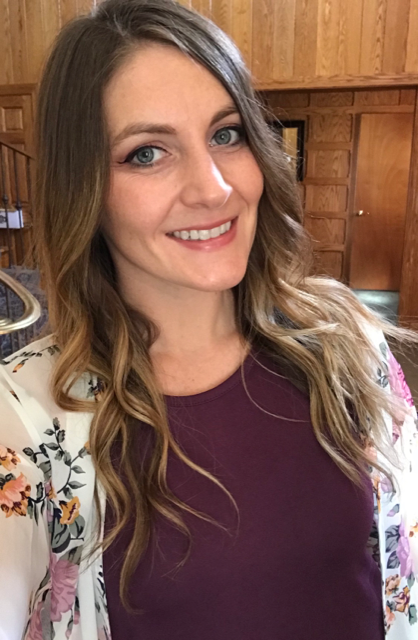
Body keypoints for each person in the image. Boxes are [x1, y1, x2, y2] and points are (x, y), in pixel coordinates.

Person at [0, 0, 417, 637]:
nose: (214, 187)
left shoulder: (345, 340)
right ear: (83, 189)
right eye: (147, 153)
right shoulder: (27, 418)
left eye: (226, 134)